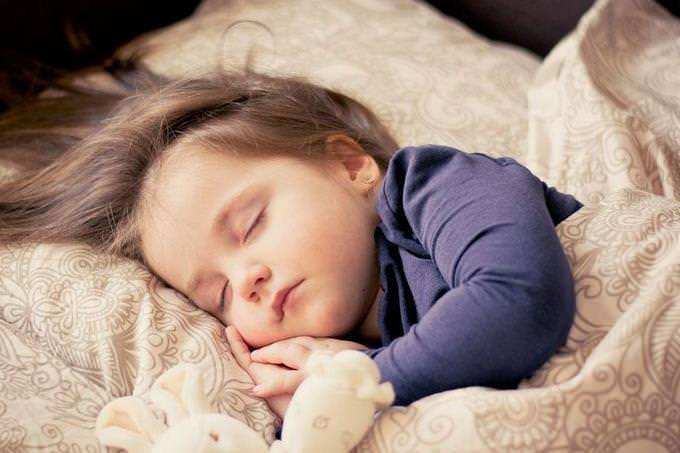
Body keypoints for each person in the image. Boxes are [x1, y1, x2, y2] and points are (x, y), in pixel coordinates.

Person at [0, 67, 582, 420]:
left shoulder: (437, 185)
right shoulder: (340, 349)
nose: (246, 280)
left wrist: (359, 381)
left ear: (351, 166)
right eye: (219, 294)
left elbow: (518, 301)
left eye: (251, 224)